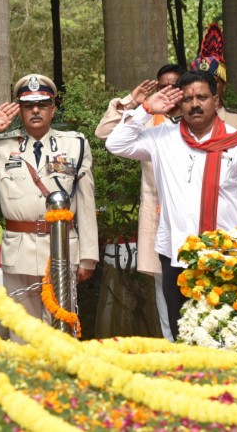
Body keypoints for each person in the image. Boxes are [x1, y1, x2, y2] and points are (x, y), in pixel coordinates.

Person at [106, 70, 237, 338]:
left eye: (202, 97)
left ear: (215, 100)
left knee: (224, 330)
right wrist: (146, 110)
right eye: (188, 98)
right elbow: (115, 143)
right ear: (179, 104)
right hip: (175, 252)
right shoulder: (162, 138)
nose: (195, 104)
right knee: (181, 330)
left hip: (225, 254)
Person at [0, 74, 98, 334]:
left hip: (61, 249)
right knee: (21, 331)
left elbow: (85, 200)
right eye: (28, 106)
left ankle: (59, 374)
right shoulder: (1, 147)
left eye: (42, 104)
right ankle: (26, 374)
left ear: (53, 108)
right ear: (20, 111)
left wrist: (88, 257)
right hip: (18, 250)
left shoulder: (75, 145)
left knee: (62, 326)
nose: (35, 110)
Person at [94, 63, 183, 340]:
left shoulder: (196, 118)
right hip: (160, 218)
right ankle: (173, 349)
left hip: (196, 218)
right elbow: (105, 133)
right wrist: (132, 103)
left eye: (175, 85)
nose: (169, 91)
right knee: (163, 287)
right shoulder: (147, 121)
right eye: (163, 85)